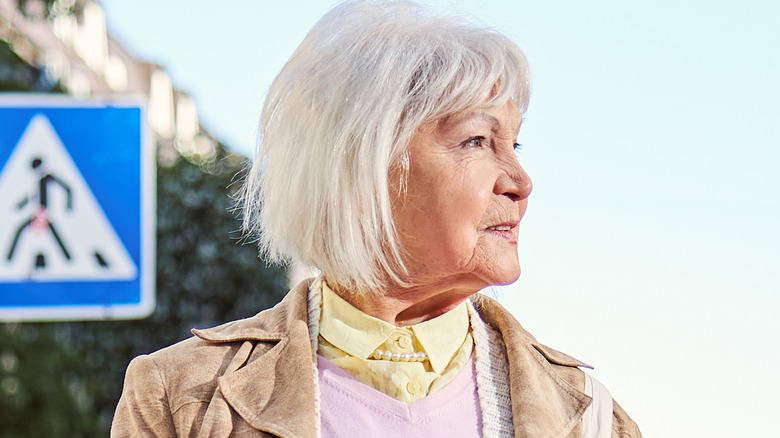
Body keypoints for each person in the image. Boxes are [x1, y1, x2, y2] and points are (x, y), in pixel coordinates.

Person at [112, 1, 642, 437]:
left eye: (515, 143)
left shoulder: (591, 417)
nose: (520, 182)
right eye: (478, 141)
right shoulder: (180, 399)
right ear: (365, 166)